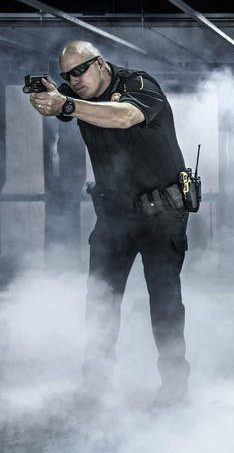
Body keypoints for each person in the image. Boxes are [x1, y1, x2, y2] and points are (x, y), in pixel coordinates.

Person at [28, 41, 191, 408]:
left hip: (161, 214)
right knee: (100, 301)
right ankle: (95, 385)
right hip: (114, 215)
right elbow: (61, 104)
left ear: (100, 64)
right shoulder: (74, 92)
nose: (74, 80)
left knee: (165, 302)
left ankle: (175, 385)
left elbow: (124, 116)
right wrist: (48, 98)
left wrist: (65, 104)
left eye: (79, 71)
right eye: (67, 75)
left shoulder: (140, 84)